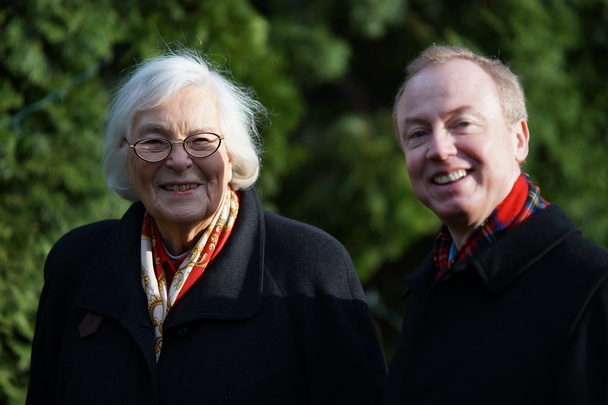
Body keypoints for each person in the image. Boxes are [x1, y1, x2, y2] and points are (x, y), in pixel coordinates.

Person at [26, 49, 386, 404]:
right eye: (154, 141)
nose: (179, 160)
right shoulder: (76, 264)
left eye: (201, 141)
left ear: (232, 153)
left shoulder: (310, 266)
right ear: (125, 152)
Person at [383, 44, 608, 404]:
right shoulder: (432, 290)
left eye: (463, 124)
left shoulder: (593, 288)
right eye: (418, 134)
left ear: (519, 139)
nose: (439, 149)